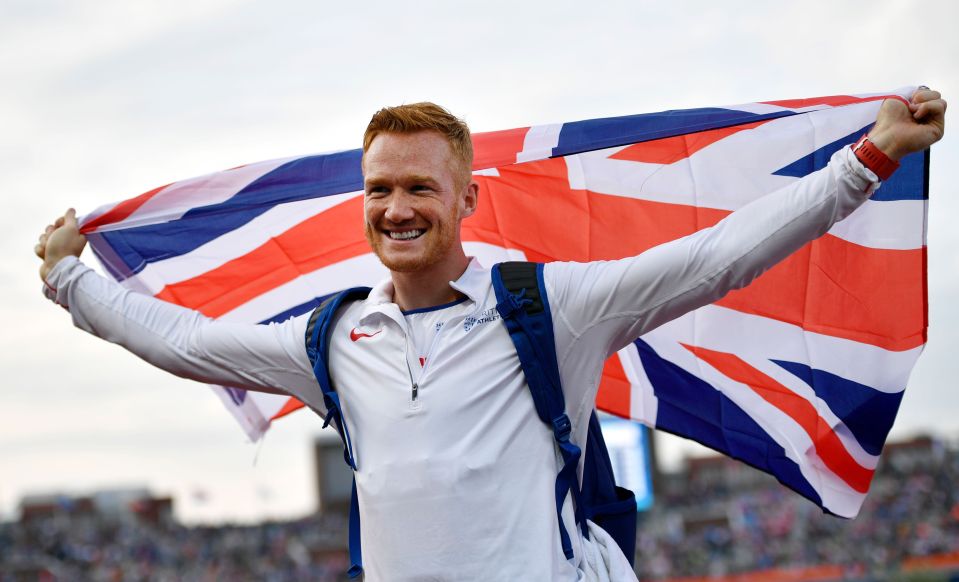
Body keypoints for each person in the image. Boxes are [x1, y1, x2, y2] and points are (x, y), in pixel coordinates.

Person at [36, 89, 946, 581]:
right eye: (379, 189)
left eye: (420, 188)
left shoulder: (555, 309)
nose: (397, 208)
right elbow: (185, 342)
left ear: (466, 199)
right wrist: (71, 279)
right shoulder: (331, 342)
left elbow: (717, 259)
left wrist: (865, 161)